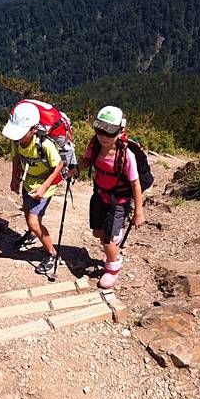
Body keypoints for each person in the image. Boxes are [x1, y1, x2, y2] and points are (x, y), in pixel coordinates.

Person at [68, 106, 145, 288]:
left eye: (108, 133)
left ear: (120, 131)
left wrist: (138, 213)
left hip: (119, 201)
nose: (103, 136)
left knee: (106, 240)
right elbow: (87, 160)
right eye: (99, 130)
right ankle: (114, 239)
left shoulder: (127, 156)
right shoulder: (95, 144)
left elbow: (135, 184)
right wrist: (77, 168)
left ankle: (113, 266)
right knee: (97, 232)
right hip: (100, 195)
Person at [2, 102, 65, 275]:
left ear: (34, 129)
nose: (18, 137)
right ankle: (32, 235)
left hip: (44, 186)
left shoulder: (45, 144)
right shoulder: (17, 141)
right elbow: (16, 159)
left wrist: (44, 187)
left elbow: (58, 166)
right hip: (28, 182)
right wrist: (14, 178)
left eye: (22, 133)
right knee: (27, 212)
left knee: (33, 221)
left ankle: (52, 253)